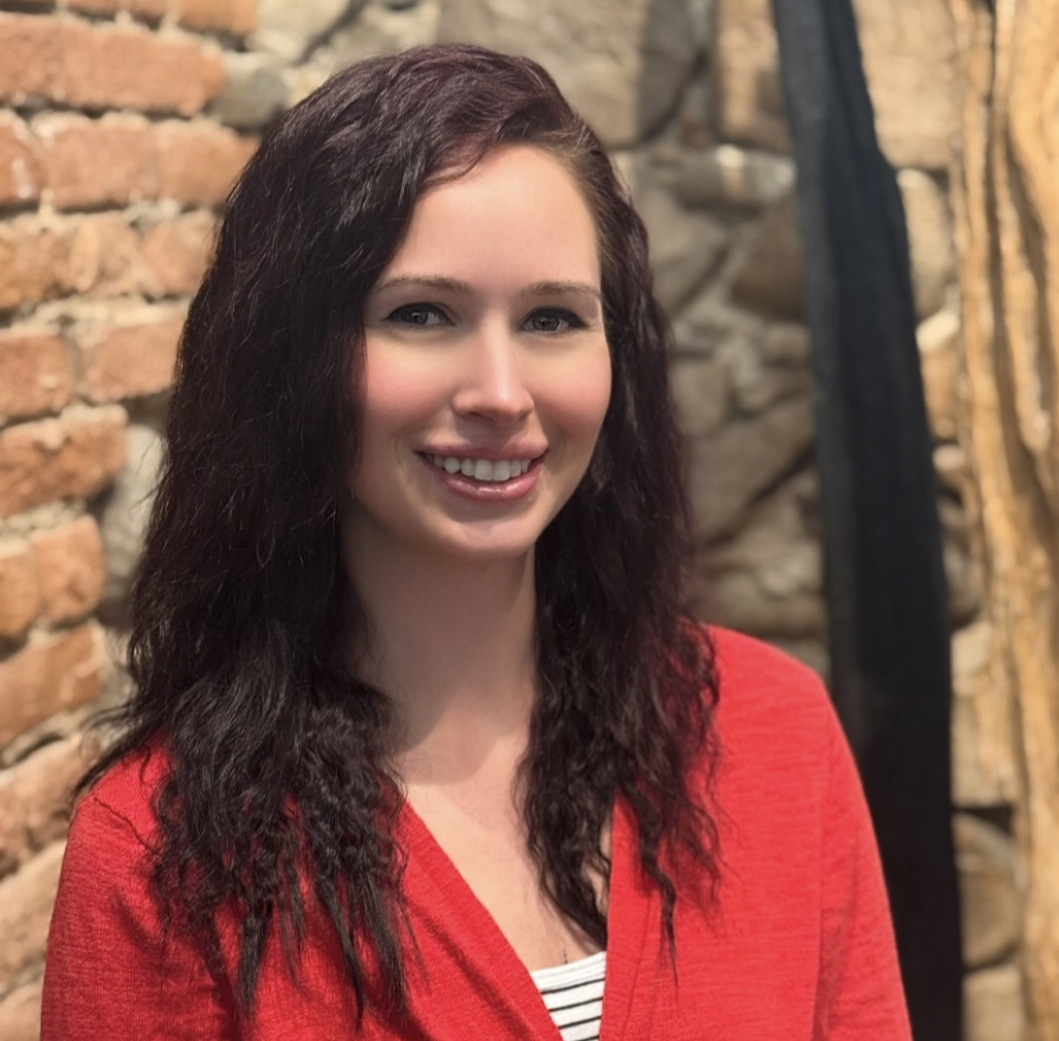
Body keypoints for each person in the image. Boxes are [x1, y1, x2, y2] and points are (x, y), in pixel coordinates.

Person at [41, 44, 911, 1041]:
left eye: (552, 318)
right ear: (291, 361)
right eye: (421, 313)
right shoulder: (158, 852)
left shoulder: (773, 739)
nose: (501, 392)